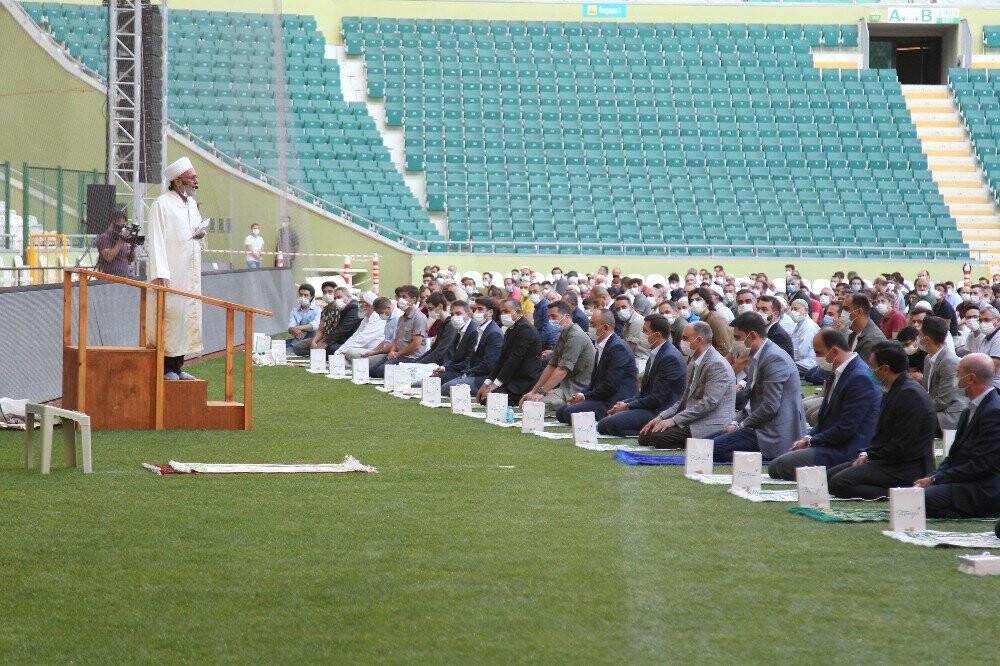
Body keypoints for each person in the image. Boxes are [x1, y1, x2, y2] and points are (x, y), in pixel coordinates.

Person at [768, 328, 881, 481]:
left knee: (779, 466)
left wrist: (811, 441)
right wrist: (807, 437)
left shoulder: (859, 378)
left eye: (818, 353)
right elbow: (825, 420)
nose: (816, 358)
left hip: (847, 450)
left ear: (834, 351)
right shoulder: (841, 372)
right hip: (833, 444)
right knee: (781, 460)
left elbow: (846, 429)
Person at [828, 341, 936, 499]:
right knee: (828, 476)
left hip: (906, 466)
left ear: (885, 369)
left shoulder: (910, 395)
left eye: (872, 366)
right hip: (887, 459)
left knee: (838, 483)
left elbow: (901, 446)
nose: (870, 371)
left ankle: (900, 494)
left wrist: (870, 456)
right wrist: (867, 454)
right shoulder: (895, 389)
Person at [709, 312, 805, 462]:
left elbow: (770, 407)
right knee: (701, 444)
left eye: (737, 338)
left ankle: (756, 458)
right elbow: (750, 400)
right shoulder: (759, 355)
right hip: (757, 426)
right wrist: (735, 422)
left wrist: (740, 425)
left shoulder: (774, 358)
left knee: (708, 450)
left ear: (752, 335)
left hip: (773, 433)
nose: (735, 344)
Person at [915, 353, 1000, 518]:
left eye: (958, 373)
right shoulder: (970, 408)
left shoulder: (994, 412)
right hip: (967, 480)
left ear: (971, 378)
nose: (956, 378)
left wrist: (937, 480)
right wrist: (934, 476)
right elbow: (954, 455)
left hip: (985, 486)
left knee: (922, 499)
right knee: (917, 495)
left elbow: (982, 465)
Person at [146, 156, 205, 380]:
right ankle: (166, 368)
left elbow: (195, 230)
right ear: (178, 182)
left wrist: (201, 233)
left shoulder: (190, 204)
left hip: (189, 271)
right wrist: (160, 272)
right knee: (169, 317)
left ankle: (178, 366)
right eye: (192, 177)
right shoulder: (161, 204)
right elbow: (156, 240)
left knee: (185, 317)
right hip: (171, 272)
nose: (195, 181)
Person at [637, 321, 735, 449]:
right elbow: (683, 400)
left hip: (711, 423)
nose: (681, 342)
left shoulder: (717, 364)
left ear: (699, 340)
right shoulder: (693, 361)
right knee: (645, 436)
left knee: (657, 438)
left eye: (685, 338)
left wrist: (673, 420)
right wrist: (661, 417)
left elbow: (709, 403)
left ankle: (702, 443)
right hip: (692, 419)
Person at [599, 314, 686, 437]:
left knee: (611, 424)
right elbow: (644, 393)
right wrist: (624, 403)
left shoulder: (670, 357)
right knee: (603, 424)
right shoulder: (656, 352)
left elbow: (657, 398)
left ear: (657, 335)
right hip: (649, 406)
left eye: (645, 331)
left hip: (660, 411)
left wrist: (628, 406)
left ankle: (650, 432)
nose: (642, 334)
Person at [555, 309, 637, 423]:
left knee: (569, 412)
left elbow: (610, 386)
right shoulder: (602, 345)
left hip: (613, 401)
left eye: (593, 324)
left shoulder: (618, 348)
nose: (590, 327)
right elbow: (594, 383)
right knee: (561, 411)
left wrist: (585, 397)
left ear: (605, 328)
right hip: (601, 397)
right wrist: (581, 394)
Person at [519, 301, 595, 413]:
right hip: (565, 387)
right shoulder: (563, 333)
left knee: (534, 405)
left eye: (554, 316)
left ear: (567, 316)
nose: (551, 320)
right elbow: (551, 365)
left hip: (578, 390)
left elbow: (562, 370)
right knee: (530, 400)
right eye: (549, 317)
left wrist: (541, 393)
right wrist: (533, 392)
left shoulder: (575, 335)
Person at [477, 299, 542, 406]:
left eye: (506, 311)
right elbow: (501, 360)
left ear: (519, 312)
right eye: (501, 312)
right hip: (510, 379)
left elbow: (514, 360)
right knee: (483, 397)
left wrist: (494, 385)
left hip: (523, 381)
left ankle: (521, 398)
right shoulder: (510, 329)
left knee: (488, 399)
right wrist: (487, 383)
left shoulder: (526, 329)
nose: (503, 315)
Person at [440, 298, 503, 395]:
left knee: (446, 388)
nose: (476, 312)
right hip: (472, 373)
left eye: (480, 309)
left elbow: (489, 364)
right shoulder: (480, 330)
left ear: (490, 312)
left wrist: (467, 373)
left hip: (485, 378)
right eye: (475, 309)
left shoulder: (494, 333)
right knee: (438, 382)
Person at [365, 285, 428, 378]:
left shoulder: (419, 318)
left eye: (404, 297)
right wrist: (392, 351)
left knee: (381, 371)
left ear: (413, 299)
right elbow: (396, 340)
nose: (400, 299)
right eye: (399, 297)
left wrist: (397, 354)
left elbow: (416, 344)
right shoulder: (401, 318)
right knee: (370, 372)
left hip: (411, 358)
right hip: (398, 355)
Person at [920, 315, 969, 432]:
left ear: (927, 339)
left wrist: (918, 409)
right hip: (935, 409)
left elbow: (943, 401)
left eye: (920, 334)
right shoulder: (928, 358)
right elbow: (927, 391)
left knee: (913, 420)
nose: (918, 337)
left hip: (950, 414)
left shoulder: (949, 361)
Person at [311, 286, 361, 357]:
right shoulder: (343, 308)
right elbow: (321, 329)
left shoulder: (354, 308)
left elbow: (342, 329)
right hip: (339, 339)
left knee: (328, 349)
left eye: (339, 297)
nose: (337, 300)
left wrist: (325, 342)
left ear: (349, 297)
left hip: (350, 342)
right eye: (335, 298)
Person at [340, 295, 393, 360]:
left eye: (365, 304)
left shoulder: (378, 318)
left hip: (373, 350)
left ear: (372, 307)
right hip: (366, 349)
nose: (362, 306)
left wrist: (342, 351)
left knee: (350, 352)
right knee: (344, 353)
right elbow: (355, 336)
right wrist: (339, 351)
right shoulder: (366, 317)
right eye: (361, 303)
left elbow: (362, 339)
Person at [843, 293, 887, 368]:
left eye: (846, 309)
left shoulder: (873, 340)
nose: (842, 313)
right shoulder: (854, 333)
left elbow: (861, 374)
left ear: (859, 311)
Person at [415, 293, 459, 366]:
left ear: (440, 306)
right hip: (438, 361)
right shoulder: (441, 323)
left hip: (445, 364)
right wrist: (416, 362)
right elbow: (433, 349)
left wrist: (418, 364)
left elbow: (439, 352)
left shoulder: (451, 325)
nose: (429, 312)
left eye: (431, 308)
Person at [689, 287, 734, 356]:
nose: (694, 303)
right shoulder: (702, 319)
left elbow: (724, 348)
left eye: (698, 299)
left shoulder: (715, 318)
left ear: (707, 302)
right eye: (692, 301)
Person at [95, 208, 137, 278]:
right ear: (113, 223)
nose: (122, 229)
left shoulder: (123, 239)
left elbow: (130, 259)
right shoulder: (104, 238)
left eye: (124, 226)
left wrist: (133, 247)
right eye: (121, 226)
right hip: (108, 281)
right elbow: (108, 257)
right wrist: (121, 241)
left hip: (124, 280)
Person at [612, 294, 650, 369]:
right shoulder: (627, 322)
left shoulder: (637, 321)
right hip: (636, 358)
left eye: (624, 307)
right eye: (618, 309)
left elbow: (629, 349)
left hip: (642, 361)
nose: (621, 310)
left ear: (632, 307)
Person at [789, 298, 821, 383]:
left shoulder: (809, 327)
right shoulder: (799, 324)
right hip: (800, 361)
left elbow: (802, 352)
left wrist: (789, 359)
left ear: (806, 310)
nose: (793, 311)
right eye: (791, 309)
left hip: (808, 363)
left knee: (784, 368)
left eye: (796, 309)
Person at [286, 283, 322, 352]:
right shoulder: (295, 310)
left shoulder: (318, 310)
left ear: (311, 297)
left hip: (313, 338)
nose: (303, 297)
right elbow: (291, 326)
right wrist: (292, 329)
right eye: (301, 295)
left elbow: (315, 325)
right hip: (298, 338)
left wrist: (298, 328)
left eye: (306, 295)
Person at [757, 295, 794, 360]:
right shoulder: (765, 330)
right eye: (758, 309)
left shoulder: (779, 336)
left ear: (775, 314)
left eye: (764, 309)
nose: (759, 313)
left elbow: (776, 360)